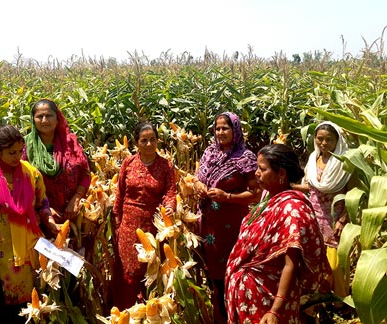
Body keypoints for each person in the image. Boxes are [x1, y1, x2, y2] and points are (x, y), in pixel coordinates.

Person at [225, 144, 332, 324]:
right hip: (250, 299)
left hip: (267, 301)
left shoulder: (292, 209)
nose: (256, 173)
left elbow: (290, 264)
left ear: (281, 173)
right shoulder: (268, 201)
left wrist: (275, 310)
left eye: (262, 169)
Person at [0, 125, 57, 323]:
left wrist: (51, 223)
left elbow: (43, 205)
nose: (17, 157)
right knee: (7, 311)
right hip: (2, 258)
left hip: (32, 250)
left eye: (20, 151)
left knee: (35, 307)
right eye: (11, 153)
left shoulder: (32, 174)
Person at [193, 112, 260, 323]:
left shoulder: (245, 157)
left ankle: (233, 316)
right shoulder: (209, 153)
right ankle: (218, 317)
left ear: (236, 130)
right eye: (217, 128)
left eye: (225, 128)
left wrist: (227, 196)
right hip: (207, 224)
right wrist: (199, 187)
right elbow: (196, 179)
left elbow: (256, 193)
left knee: (230, 276)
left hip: (230, 226)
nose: (220, 132)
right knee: (212, 276)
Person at [112, 121, 177, 309]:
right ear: (136, 143)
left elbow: (170, 192)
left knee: (150, 268)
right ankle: (127, 313)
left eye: (153, 140)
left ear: (158, 141)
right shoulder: (128, 162)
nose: (149, 144)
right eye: (144, 140)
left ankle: (149, 312)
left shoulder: (166, 165)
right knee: (128, 271)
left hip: (152, 224)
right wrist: (117, 221)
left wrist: (170, 206)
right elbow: (120, 193)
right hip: (128, 224)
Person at [22, 99, 90, 237]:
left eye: (49, 115)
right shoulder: (25, 147)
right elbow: (19, 183)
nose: (44, 120)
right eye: (39, 116)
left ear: (57, 118)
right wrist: (44, 210)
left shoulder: (71, 142)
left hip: (74, 214)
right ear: (33, 120)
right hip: (40, 219)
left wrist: (76, 199)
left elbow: (85, 174)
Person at [293, 121, 352, 248]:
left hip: (335, 218)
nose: (324, 143)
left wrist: (342, 220)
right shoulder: (314, 159)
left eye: (329, 139)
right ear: (314, 139)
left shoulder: (345, 163)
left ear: (338, 140)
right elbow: (313, 188)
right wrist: (291, 186)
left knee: (334, 260)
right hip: (314, 215)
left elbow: (352, 193)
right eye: (320, 139)